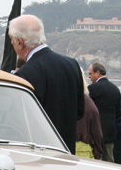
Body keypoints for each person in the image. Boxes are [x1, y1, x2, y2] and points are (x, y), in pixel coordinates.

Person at [8, 14, 85, 152]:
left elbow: (18, 122)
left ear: (20, 41)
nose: (12, 44)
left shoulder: (25, 74)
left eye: (12, 41)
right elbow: (80, 111)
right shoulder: (72, 65)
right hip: (66, 150)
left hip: (39, 154)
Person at [87, 61, 121, 162]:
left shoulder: (93, 88)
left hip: (96, 132)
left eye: (90, 73)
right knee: (109, 160)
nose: (89, 77)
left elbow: (89, 110)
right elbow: (118, 113)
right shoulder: (115, 89)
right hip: (110, 132)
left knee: (96, 161)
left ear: (97, 73)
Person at [76, 93, 105, 159]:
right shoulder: (88, 103)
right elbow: (96, 133)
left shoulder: (62, 99)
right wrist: (98, 152)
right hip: (84, 150)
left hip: (61, 149)